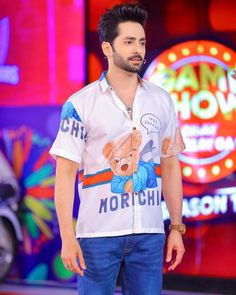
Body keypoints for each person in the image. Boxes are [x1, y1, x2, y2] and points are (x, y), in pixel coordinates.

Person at [50, 2, 186, 294]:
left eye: (141, 42)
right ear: (108, 49)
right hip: (97, 237)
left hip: (149, 237)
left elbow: (171, 165)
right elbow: (64, 175)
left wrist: (176, 227)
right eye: (128, 42)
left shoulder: (162, 100)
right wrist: (67, 237)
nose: (138, 49)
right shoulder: (80, 104)